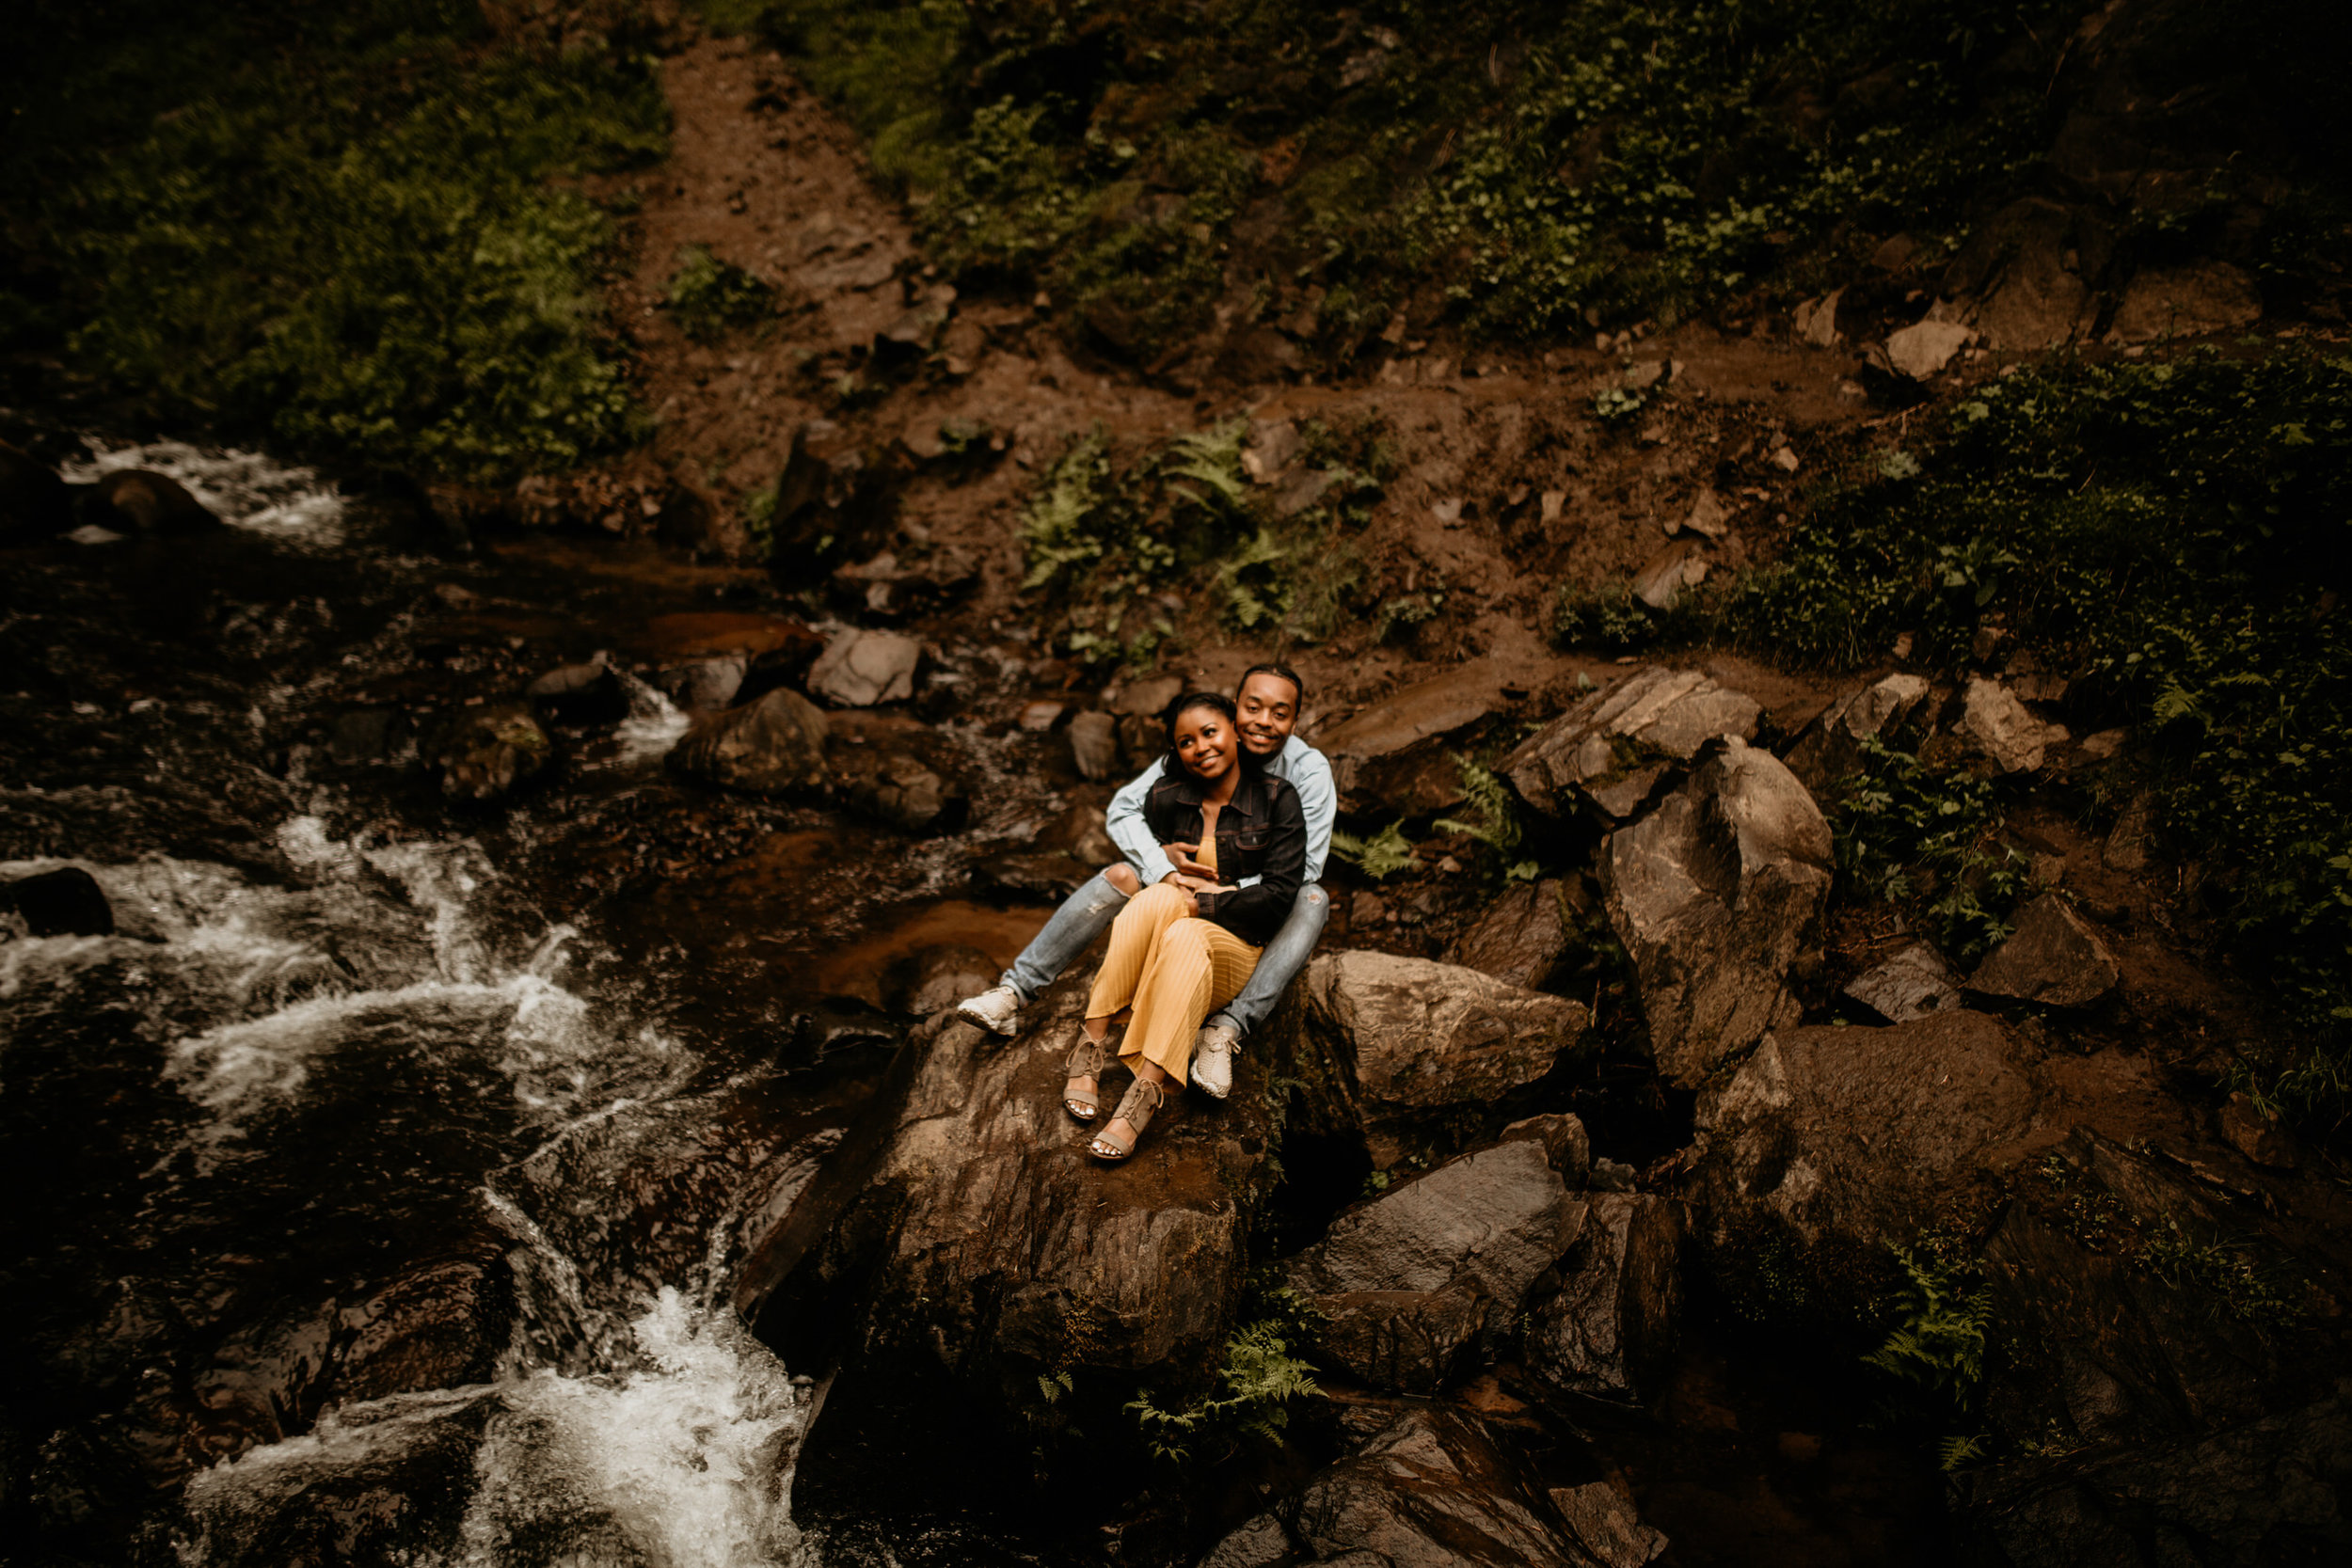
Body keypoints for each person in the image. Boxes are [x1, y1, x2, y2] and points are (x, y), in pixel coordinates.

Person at [956, 664, 1334, 1098]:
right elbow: (1123, 810)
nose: (1263, 721)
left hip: (1253, 898)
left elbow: (1303, 869)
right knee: (1120, 873)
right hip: (1186, 880)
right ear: (1234, 710)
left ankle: (1226, 1029)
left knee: (1312, 898)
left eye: (1279, 712)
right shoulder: (1205, 741)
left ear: (1295, 719)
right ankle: (1015, 991)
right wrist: (1163, 864)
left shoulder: (1307, 773)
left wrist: (1224, 894)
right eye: (1253, 708)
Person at [1062, 692, 1304, 1161]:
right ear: (1176, 752)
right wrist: (1163, 860)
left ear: (1234, 731)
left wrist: (1205, 907)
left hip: (1233, 947)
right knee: (1153, 897)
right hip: (1172, 931)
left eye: (1210, 733)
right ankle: (1090, 1046)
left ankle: (1143, 1096)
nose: (1201, 748)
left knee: (1186, 931)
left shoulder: (1277, 798)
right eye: (1186, 741)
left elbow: (1278, 897)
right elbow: (1139, 839)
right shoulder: (1168, 795)